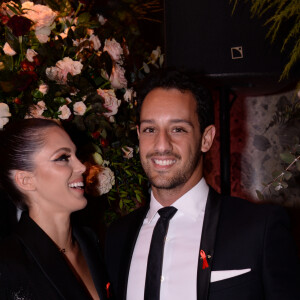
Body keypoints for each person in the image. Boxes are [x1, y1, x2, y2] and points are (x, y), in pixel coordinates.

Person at [104, 69, 300, 300]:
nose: (161, 145)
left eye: (178, 129)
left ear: (206, 139)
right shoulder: (116, 238)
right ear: (138, 135)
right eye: (150, 129)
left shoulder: (259, 229)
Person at [0, 118, 109, 300]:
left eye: (76, 155)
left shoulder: (91, 242)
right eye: (63, 158)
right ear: (26, 180)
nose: (82, 167)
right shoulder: (8, 264)